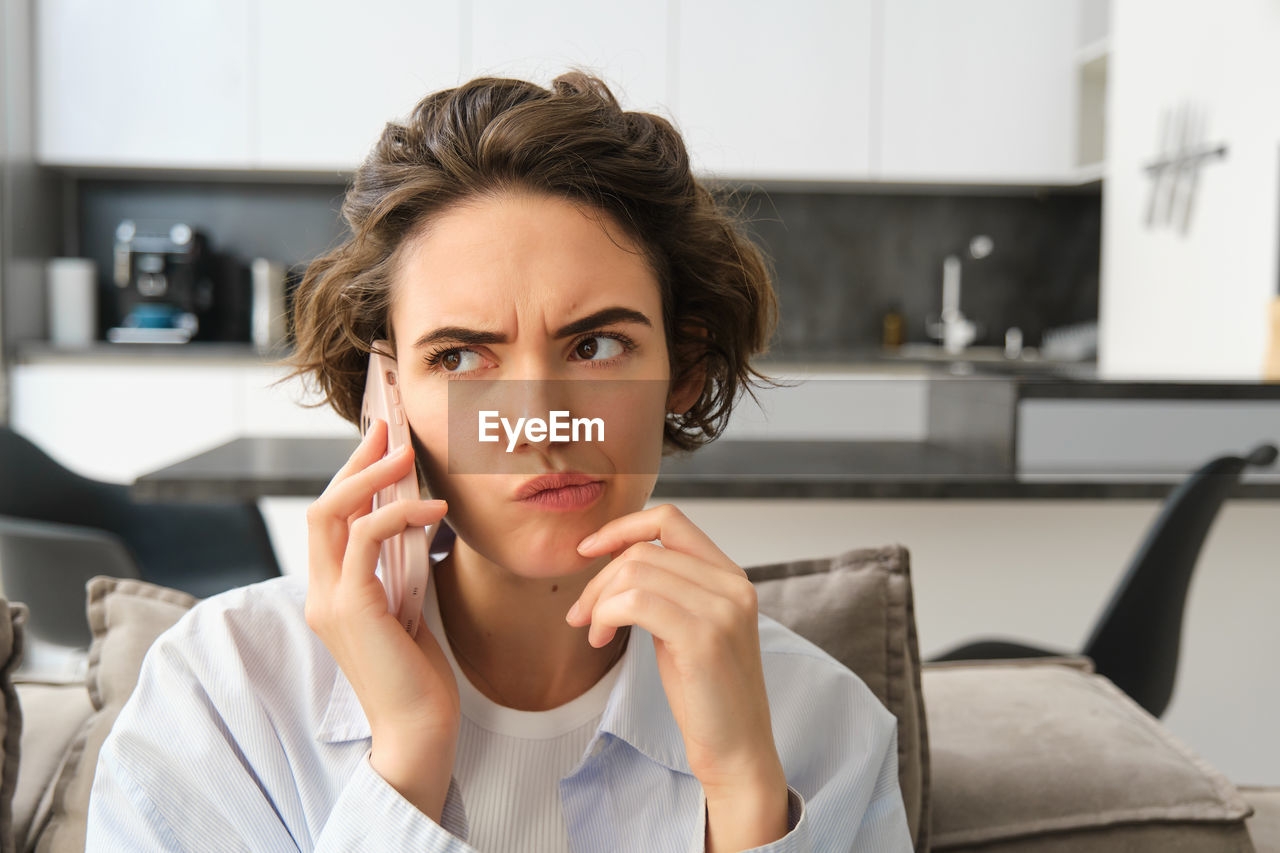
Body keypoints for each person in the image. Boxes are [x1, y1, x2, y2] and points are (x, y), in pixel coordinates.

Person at [85, 70, 913, 852]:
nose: (540, 425)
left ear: (682, 370)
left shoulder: (825, 725)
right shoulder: (218, 697)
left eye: (595, 345)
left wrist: (745, 798)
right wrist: (407, 763)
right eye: (459, 358)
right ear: (390, 392)